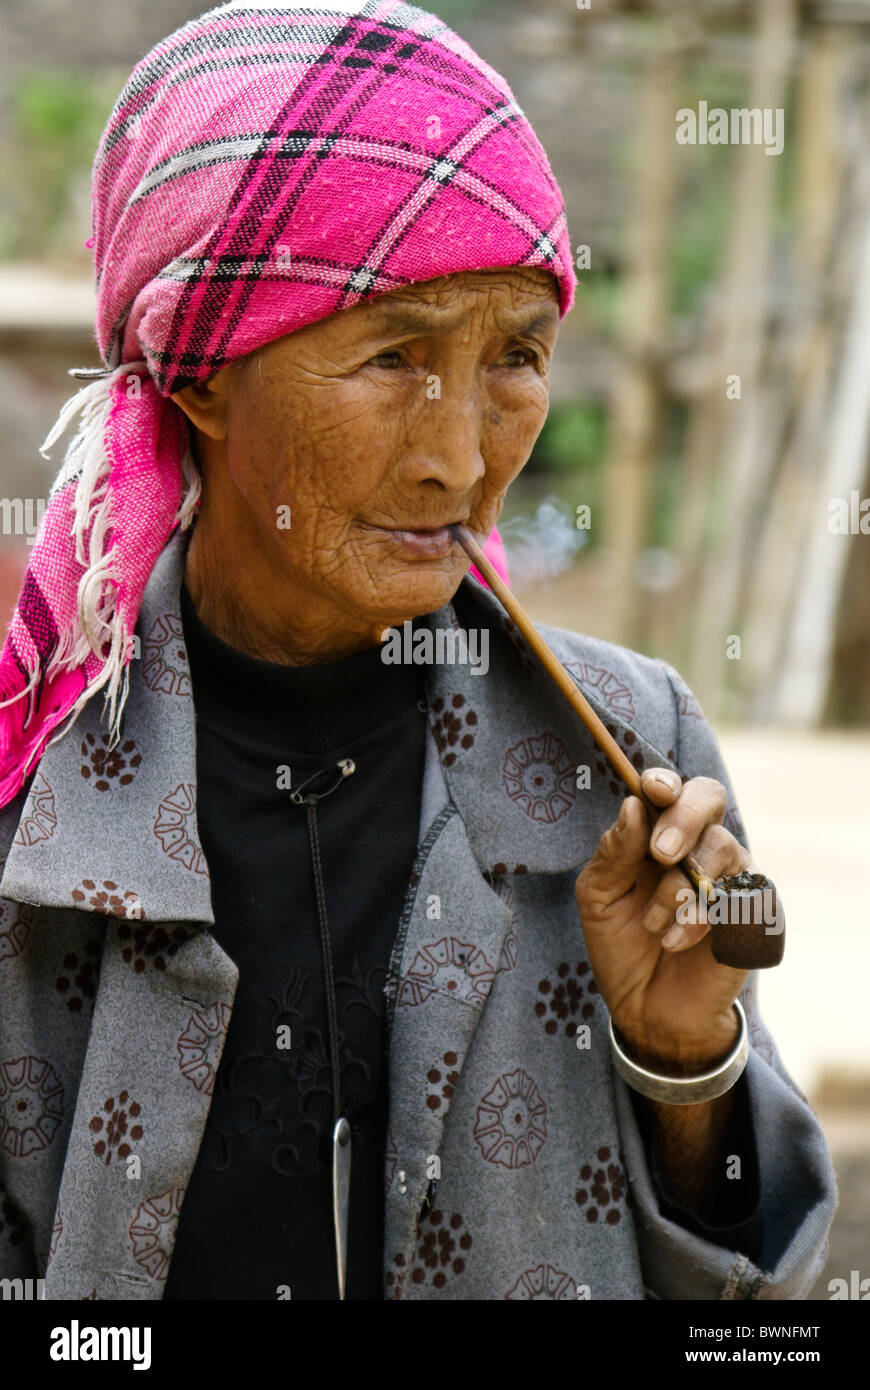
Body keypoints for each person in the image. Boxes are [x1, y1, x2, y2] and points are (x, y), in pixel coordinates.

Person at [0, 0, 835, 1301]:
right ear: (198, 373)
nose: (461, 455)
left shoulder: (626, 759)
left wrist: (685, 1066)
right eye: (391, 355)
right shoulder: (34, 807)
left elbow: (752, 1309)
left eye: (515, 354)